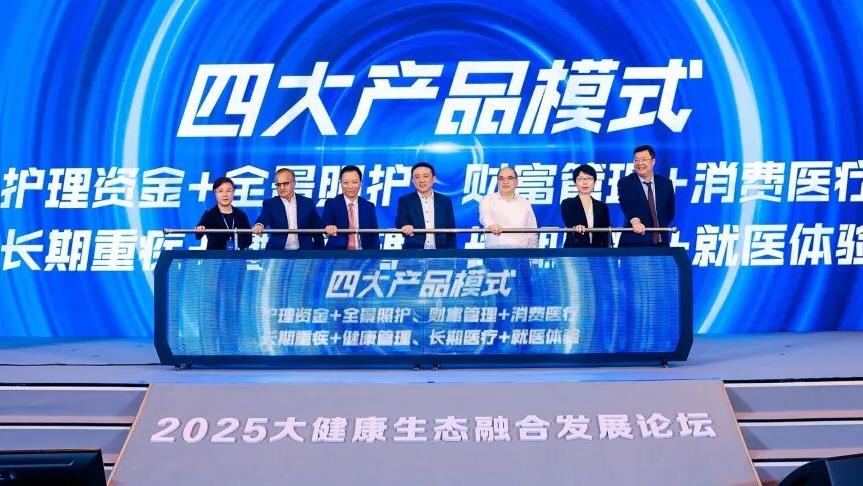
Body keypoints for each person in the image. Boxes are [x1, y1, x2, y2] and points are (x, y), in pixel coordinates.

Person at [617, 145, 675, 247]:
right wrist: (635, 221)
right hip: (635, 242)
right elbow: (627, 206)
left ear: (653, 161)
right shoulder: (625, 183)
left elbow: (670, 212)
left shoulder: (666, 184)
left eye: (644, 160)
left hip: (661, 244)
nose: (640, 163)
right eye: (636, 160)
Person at [252, 168, 324, 249]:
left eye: (285, 183)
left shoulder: (307, 203)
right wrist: (259, 225)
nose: (282, 187)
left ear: (294, 183)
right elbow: (263, 218)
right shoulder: (270, 204)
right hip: (277, 251)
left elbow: (317, 227)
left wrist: (320, 252)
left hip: (304, 251)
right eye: (278, 185)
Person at [396, 161, 456, 249]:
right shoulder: (405, 200)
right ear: (412, 181)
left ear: (433, 179)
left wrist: (452, 252)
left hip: (441, 251)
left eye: (425, 176)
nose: (421, 180)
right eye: (417, 177)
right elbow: (401, 221)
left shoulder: (444, 201)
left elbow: (450, 229)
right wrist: (405, 226)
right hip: (414, 250)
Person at [322, 165, 380, 250]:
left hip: (363, 253)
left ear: (361, 183)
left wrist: (376, 254)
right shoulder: (332, 203)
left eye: (354, 182)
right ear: (341, 183)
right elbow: (325, 223)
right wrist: (328, 227)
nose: (350, 186)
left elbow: (374, 235)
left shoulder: (368, 206)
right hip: (338, 253)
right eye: (346, 183)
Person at [478, 167, 538, 248]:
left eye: (510, 178)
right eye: (501, 179)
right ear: (497, 182)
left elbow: (532, 232)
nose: (505, 182)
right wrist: (491, 225)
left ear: (516, 182)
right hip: (494, 252)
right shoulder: (487, 199)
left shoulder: (525, 203)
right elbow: (484, 216)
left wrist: (533, 252)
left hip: (521, 253)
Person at [195, 177, 253, 250]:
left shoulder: (241, 215)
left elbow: (249, 239)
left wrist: (237, 246)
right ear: (215, 193)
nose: (225, 194)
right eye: (220, 191)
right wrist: (200, 228)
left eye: (228, 191)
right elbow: (198, 236)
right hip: (214, 256)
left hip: (236, 256)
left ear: (233, 193)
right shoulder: (209, 215)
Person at [560, 164, 610, 248]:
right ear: (575, 183)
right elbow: (569, 222)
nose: (585, 182)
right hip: (575, 250)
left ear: (594, 182)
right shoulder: (568, 203)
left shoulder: (602, 206)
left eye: (589, 178)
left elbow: (606, 232)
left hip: (598, 250)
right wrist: (576, 226)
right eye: (580, 179)